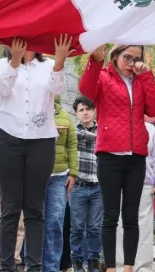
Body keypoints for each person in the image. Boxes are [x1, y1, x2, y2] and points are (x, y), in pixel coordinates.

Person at [79, 44, 155, 272]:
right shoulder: (104, 76)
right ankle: (110, 268)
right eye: (127, 57)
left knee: (131, 216)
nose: (131, 63)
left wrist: (146, 76)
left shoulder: (140, 80)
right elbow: (86, 90)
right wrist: (95, 61)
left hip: (136, 157)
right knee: (110, 215)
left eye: (137, 59)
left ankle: (128, 267)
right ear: (115, 56)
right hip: (109, 155)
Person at [0, 36, 71, 272]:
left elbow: (58, 89)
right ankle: (7, 266)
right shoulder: (0, 65)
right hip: (7, 139)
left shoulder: (48, 66)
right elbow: (1, 89)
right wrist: (15, 61)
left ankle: (34, 265)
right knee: (10, 208)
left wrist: (59, 62)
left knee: (35, 209)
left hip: (41, 140)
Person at [115, 120, 155, 272]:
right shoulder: (116, 125)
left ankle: (143, 267)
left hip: (145, 182)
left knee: (144, 226)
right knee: (119, 224)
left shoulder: (150, 129)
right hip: (119, 183)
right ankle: (121, 266)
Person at [43, 98, 79, 272]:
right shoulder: (29, 111)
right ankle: (34, 265)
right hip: (35, 176)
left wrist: (73, 173)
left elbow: (72, 145)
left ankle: (52, 267)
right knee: (34, 222)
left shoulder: (65, 116)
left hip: (59, 177)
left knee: (55, 222)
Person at [69, 96, 102, 272]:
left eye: (88, 109)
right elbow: (76, 136)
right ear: (76, 114)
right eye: (81, 110)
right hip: (78, 187)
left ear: (94, 111)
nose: (85, 112)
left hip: (98, 187)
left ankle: (93, 262)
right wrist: (97, 136)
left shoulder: (103, 129)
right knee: (77, 228)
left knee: (95, 228)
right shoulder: (72, 131)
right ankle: (77, 262)